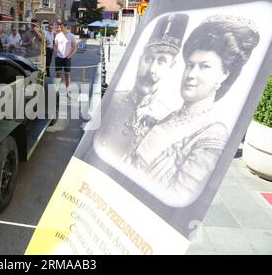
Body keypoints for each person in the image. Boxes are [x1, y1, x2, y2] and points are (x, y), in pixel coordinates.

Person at [126, 15, 260, 207]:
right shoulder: (170, 115)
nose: (192, 74)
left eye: (204, 67)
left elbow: (177, 199)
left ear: (224, 74)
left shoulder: (212, 136)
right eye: (190, 65)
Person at [93, 13, 189, 166]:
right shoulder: (112, 100)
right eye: (149, 58)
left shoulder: (165, 119)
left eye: (162, 61)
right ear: (140, 59)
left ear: (171, 66)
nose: (152, 69)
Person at [54, 21, 77, 97]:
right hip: (58, 57)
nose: (60, 28)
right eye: (59, 27)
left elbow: (75, 47)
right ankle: (58, 90)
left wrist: (70, 56)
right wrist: (55, 54)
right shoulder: (58, 35)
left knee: (67, 75)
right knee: (58, 74)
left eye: (61, 27)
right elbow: (55, 45)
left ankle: (68, 91)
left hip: (67, 58)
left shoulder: (71, 36)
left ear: (65, 27)